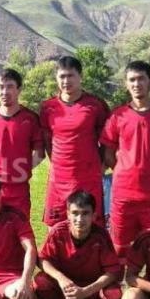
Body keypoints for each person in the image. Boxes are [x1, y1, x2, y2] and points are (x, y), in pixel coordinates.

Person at [100, 61, 150, 257]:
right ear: (126, 84)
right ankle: (120, 279)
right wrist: (125, 171)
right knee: (119, 249)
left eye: (141, 79)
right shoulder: (118, 115)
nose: (136, 84)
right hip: (123, 195)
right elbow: (108, 153)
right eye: (132, 80)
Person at [33, 190, 123, 299]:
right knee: (40, 282)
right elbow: (43, 260)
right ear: (68, 214)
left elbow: (112, 272)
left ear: (94, 215)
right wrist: (61, 278)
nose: (79, 219)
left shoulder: (101, 236)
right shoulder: (58, 231)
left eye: (85, 213)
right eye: (75, 213)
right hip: (65, 285)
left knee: (114, 294)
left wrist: (85, 291)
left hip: (92, 286)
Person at [40, 56, 110, 227]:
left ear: (80, 76)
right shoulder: (48, 107)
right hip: (59, 178)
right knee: (55, 228)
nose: (66, 81)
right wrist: (57, 162)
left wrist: (101, 166)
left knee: (91, 228)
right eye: (62, 76)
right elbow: (47, 140)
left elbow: (107, 140)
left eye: (70, 76)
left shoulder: (96, 105)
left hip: (87, 178)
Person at [0, 69, 44, 219]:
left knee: (19, 227)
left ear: (19, 90)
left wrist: (23, 168)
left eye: (10, 87)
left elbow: (40, 151)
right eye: (1, 87)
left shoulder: (30, 118)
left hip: (18, 189)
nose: (4, 92)